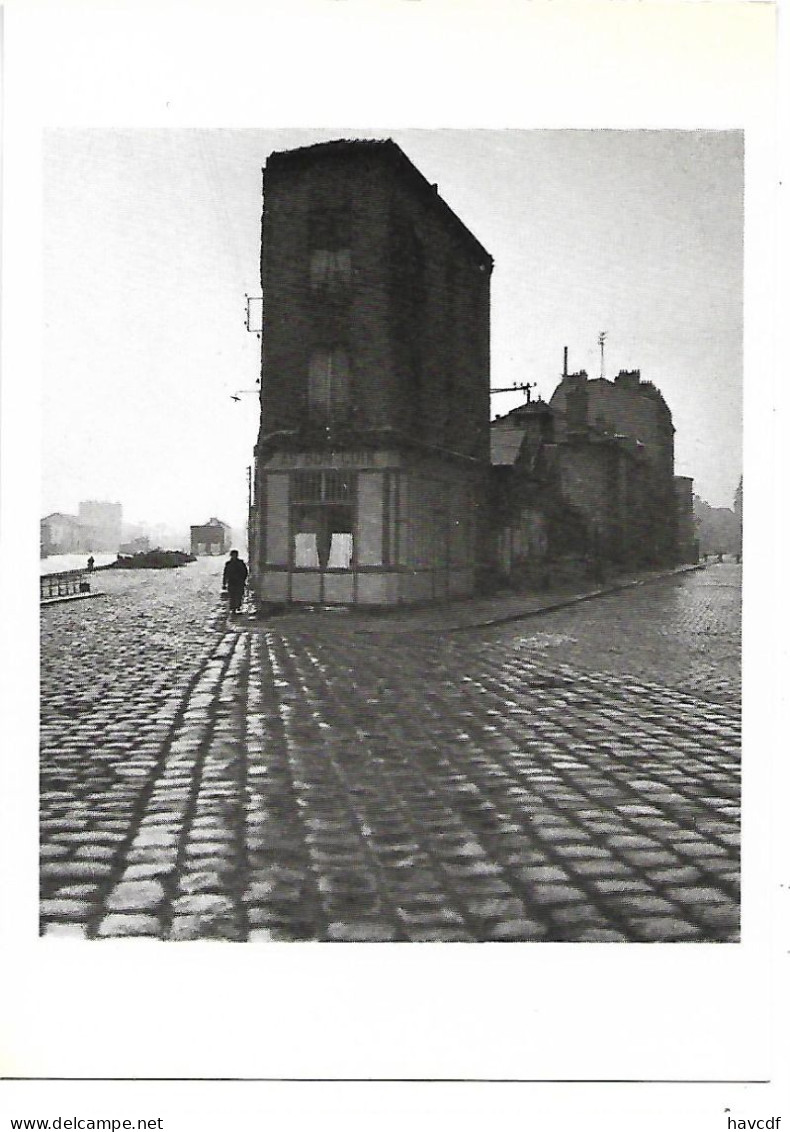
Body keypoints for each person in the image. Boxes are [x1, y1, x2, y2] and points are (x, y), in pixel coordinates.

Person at [222, 549, 248, 614]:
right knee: (232, 595)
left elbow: (245, 572)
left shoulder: (240, 563)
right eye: (233, 555)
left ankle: (237, 607)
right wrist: (224, 583)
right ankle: (233, 608)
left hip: (239, 582)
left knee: (239, 595)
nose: (234, 556)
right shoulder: (228, 564)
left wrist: (243, 580)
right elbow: (225, 574)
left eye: (235, 555)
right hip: (232, 582)